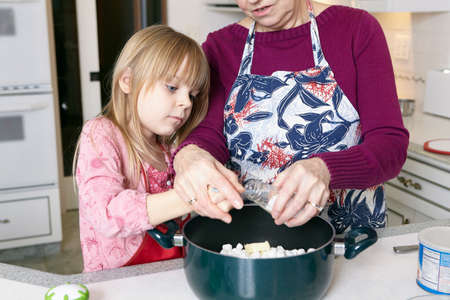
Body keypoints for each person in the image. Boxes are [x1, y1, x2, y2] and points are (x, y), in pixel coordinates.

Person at [172, 0, 409, 233]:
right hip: (253, 241)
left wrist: (324, 169)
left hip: (352, 241)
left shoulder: (356, 28)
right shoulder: (220, 47)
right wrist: (189, 154)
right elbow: (208, 135)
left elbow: (390, 146)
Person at [74, 25, 227, 272]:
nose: (186, 103)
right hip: (117, 284)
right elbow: (106, 214)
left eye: (193, 94)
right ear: (128, 81)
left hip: (167, 275)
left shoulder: (171, 149)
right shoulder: (101, 133)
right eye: (172, 87)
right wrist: (194, 196)